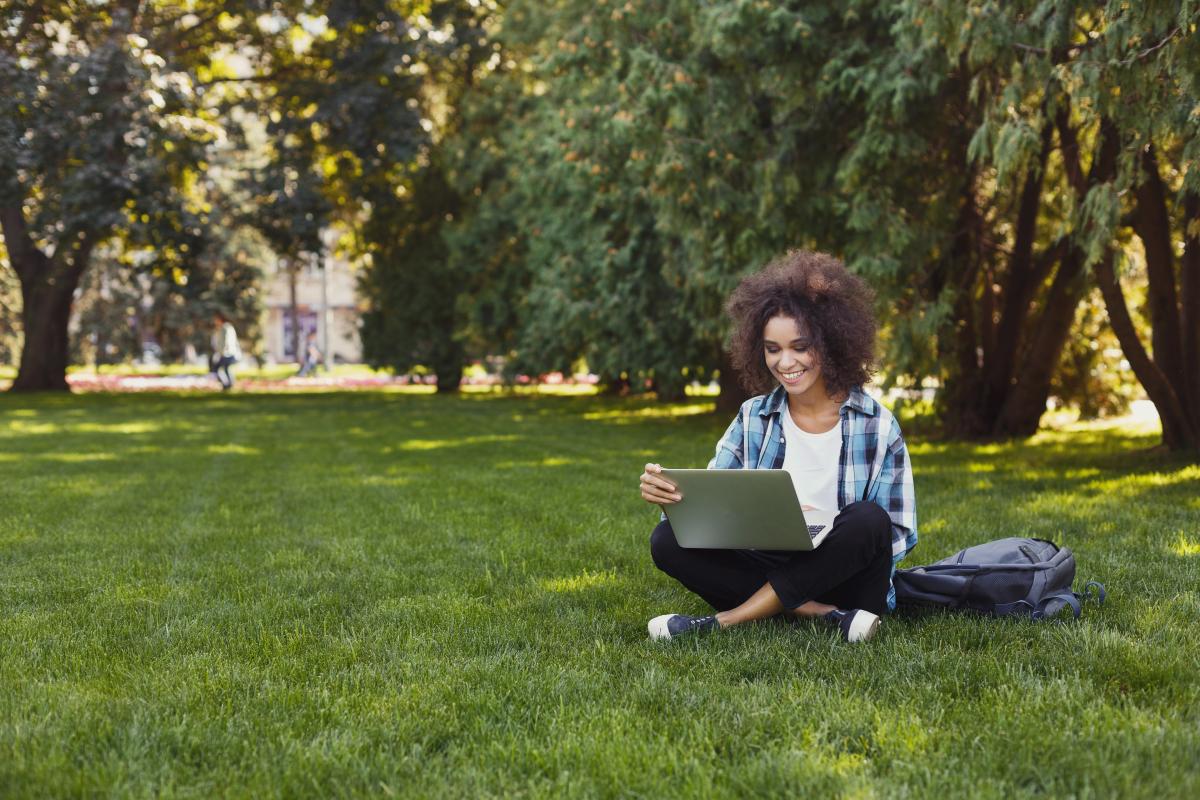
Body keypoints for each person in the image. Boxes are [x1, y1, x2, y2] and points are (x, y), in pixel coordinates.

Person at [639, 251, 917, 643]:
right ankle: (821, 615)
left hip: (847, 579)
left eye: (800, 346)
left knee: (868, 519)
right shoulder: (753, 417)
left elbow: (896, 534)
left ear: (831, 341)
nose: (786, 362)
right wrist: (672, 501)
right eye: (773, 349)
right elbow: (716, 507)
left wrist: (826, 533)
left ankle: (725, 621)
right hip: (769, 562)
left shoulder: (877, 424)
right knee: (666, 541)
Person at [209, 311, 241, 391]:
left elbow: (225, 341)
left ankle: (226, 384)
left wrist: (221, 352)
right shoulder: (228, 327)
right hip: (229, 352)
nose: (215, 322)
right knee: (226, 369)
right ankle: (228, 385)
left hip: (226, 353)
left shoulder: (224, 328)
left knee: (217, 368)